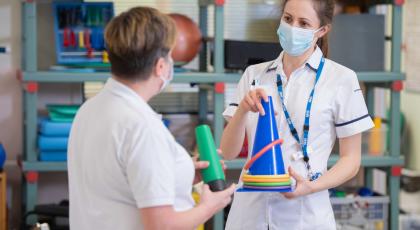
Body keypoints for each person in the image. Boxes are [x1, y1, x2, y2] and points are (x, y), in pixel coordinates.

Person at [67, 7, 235, 230]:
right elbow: (161, 226)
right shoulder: (141, 126)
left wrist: (180, 172)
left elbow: (119, 181)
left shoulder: (90, 109)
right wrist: (210, 207)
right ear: (160, 66)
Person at [220, 0, 374, 229]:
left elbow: (351, 160)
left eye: (303, 23)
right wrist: (243, 108)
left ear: (322, 30)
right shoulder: (254, 75)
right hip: (249, 216)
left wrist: (312, 186)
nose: (293, 28)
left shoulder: (341, 79)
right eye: (288, 19)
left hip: (305, 215)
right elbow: (230, 152)